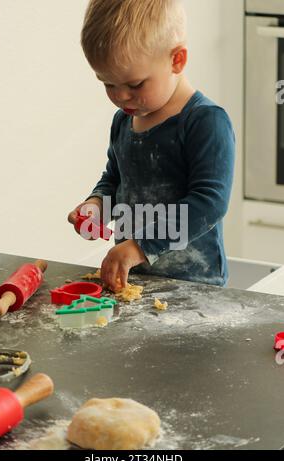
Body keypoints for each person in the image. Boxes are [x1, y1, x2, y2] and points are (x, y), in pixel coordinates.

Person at [68, 0, 235, 292]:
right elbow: (115, 180)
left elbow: (209, 203)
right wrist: (97, 205)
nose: (121, 96)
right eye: (107, 84)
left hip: (193, 285)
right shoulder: (123, 121)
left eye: (135, 85)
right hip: (135, 279)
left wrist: (139, 246)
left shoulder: (204, 121)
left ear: (177, 60)